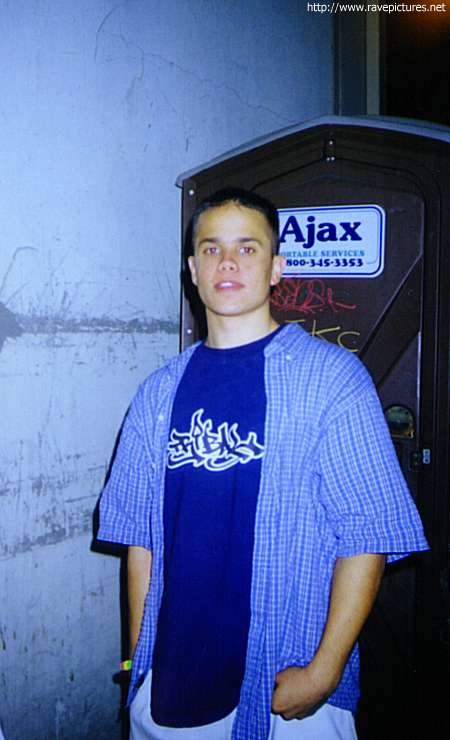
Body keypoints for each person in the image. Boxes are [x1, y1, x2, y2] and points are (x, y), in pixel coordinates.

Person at [97, 187, 428, 740]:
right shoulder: (157, 393)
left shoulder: (332, 380)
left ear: (276, 268)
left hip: (288, 688)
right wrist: (138, 664)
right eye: (211, 249)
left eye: (247, 248)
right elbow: (140, 541)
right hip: (169, 688)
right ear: (193, 270)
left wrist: (324, 672)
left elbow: (368, 533)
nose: (227, 262)